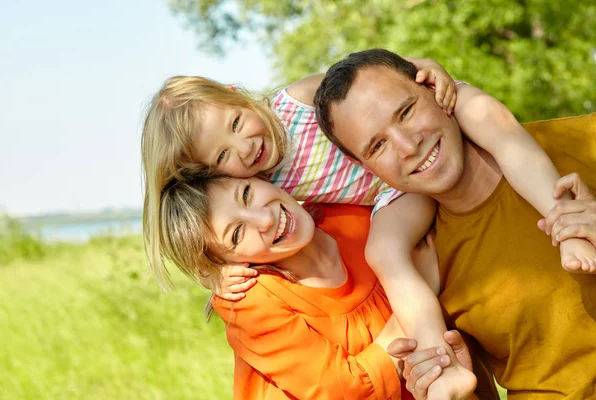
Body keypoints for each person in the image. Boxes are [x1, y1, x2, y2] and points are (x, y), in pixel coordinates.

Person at [141, 53, 594, 399]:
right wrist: (215, 272)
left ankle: (566, 218)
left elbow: (365, 79)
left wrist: (424, 68)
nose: (243, 147)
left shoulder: (295, 103)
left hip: (423, 166)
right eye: (222, 157)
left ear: (235, 96)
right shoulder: (272, 192)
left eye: (236, 123)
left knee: (484, 117)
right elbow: (217, 228)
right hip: (393, 197)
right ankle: (440, 366)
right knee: (387, 254)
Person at [313, 48, 596, 398]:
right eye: (377, 146)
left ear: (437, 89)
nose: (407, 146)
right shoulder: (424, 263)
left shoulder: (583, 140)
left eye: (406, 111)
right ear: (367, 168)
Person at [154, 173, 477, 399]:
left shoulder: (360, 218)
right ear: (223, 261)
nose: (264, 220)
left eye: (248, 194)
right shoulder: (250, 302)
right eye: (237, 234)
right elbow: (342, 390)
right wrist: (416, 284)